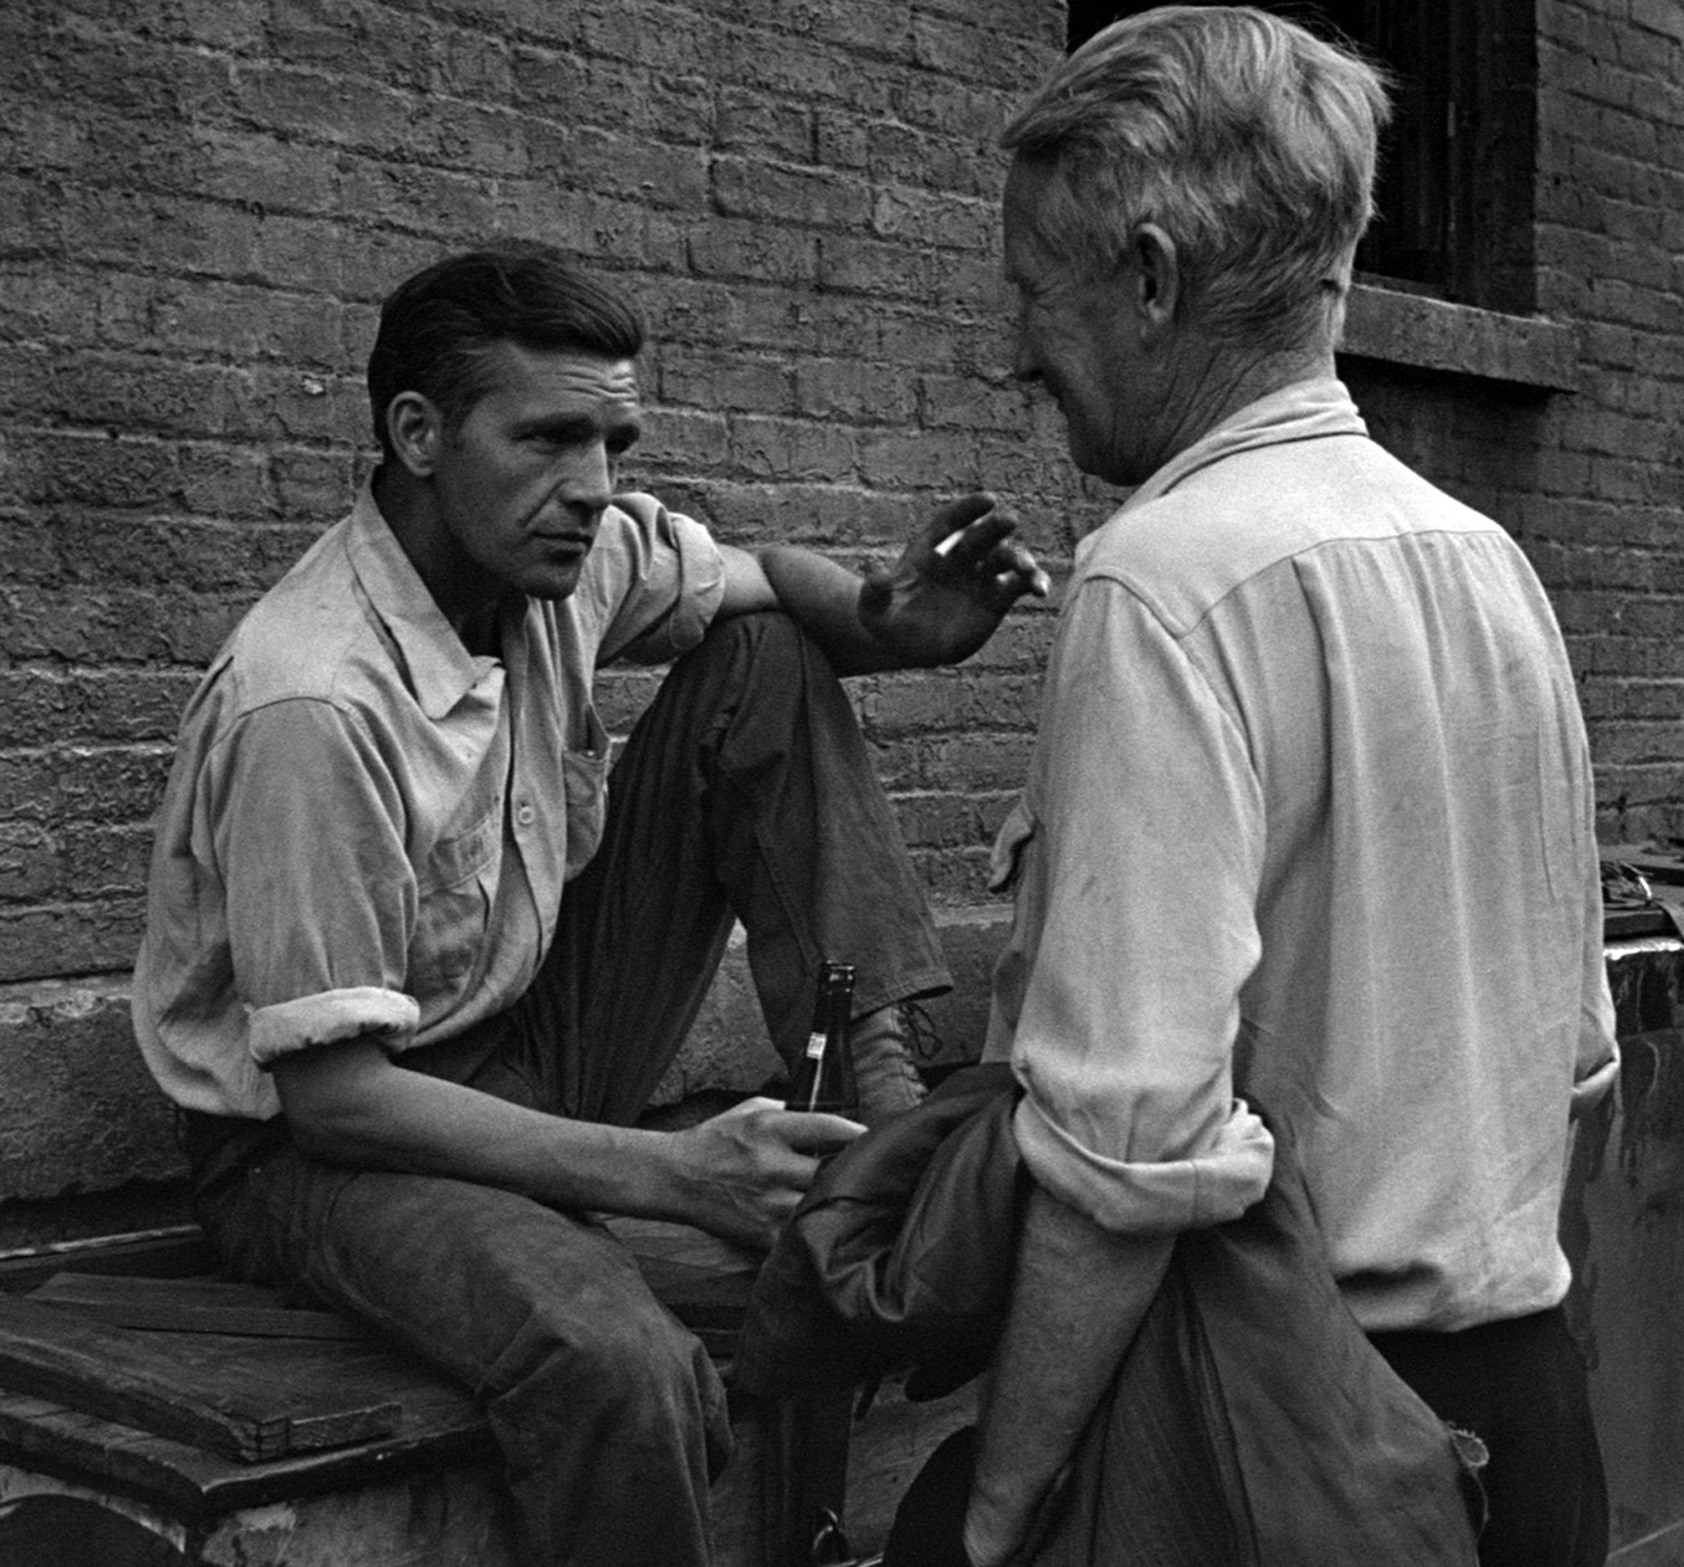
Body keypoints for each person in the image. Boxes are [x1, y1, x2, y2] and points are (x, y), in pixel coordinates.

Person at [130, 242, 1048, 1567]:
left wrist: (888, 620)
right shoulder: (313, 700)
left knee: (766, 654)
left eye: (614, 439)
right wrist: (677, 1177)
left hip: (533, 1041)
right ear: (418, 434)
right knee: (623, 1365)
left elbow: (759, 579)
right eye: (552, 438)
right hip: (325, 1146)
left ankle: (884, 1112)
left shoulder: (560, 559)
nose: (596, 489)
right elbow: (335, 1097)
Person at [963, 10, 1619, 1566]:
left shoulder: (1159, 585)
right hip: (1529, 1420)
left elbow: (1132, 1154)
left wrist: (999, 1513)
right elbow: (1579, 1068)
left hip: (1285, 1447)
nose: (1012, 352)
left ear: (1150, 276)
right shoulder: (1490, 563)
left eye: (1033, 292)